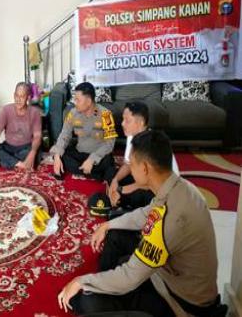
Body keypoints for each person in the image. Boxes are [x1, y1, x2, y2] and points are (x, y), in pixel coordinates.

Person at [58, 130, 225, 317]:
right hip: (170, 276)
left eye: (132, 163)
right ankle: (103, 285)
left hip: (180, 302)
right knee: (116, 233)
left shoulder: (171, 216)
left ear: (145, 168)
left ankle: (100, 290)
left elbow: (131, 275)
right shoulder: (179, 187)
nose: (129, 167)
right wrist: (107, 225)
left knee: (86, 302)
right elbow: (146, 214)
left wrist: (83, 281)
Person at [107, 101, 180, 210]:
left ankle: (122, 203)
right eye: (123, 119)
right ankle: (119, 200)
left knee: (137, 196)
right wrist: (115, 180)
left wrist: (122, 190)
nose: (122, 123)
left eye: (127, 120)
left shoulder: (151, 144)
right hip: (142, 177)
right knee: (110, 173)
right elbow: (128, 163)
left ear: (140, 122)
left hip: (162, 188)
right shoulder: (132, 136)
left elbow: (152, 182)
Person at [51, 82, 117, 182]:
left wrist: (92, 159)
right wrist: (57, 155)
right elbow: (65, 134)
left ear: (89, 101)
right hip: (80, 154)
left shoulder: (106, 115)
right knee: (60, 153)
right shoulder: (73, 113)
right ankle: (94, 173)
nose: (75, 102)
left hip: (98, 156)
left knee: (108, 161)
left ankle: (88, 170)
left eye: (78, 100)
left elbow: (110, 143)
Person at [0, 82, 42, 171]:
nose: (18, 99)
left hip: (26, 147)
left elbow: (37, 136)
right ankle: (21, 164)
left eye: (22, 96)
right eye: (17, 96)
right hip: (9, 147)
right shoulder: (6, 110)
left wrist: (32, 153)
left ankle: (10, 162)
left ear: (28, 97)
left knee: (36, 152)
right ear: (14, 95)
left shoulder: (35, 112)